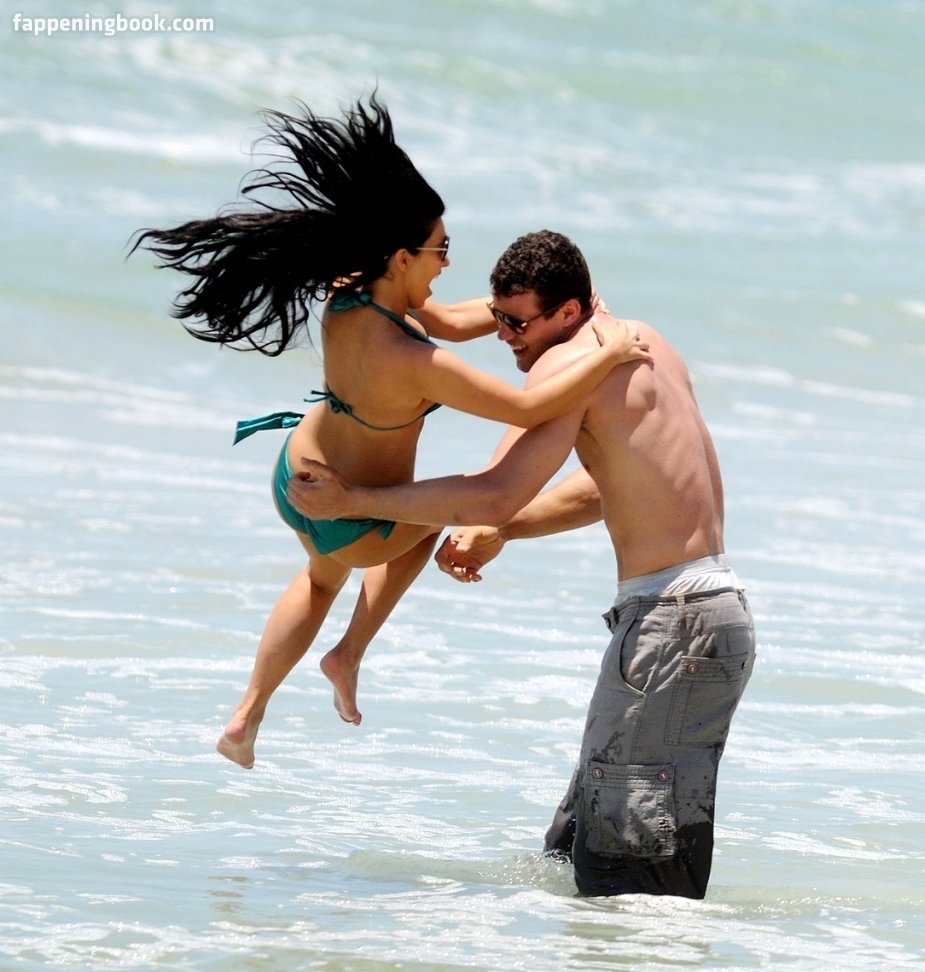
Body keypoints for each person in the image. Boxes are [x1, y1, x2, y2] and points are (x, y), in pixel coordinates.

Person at [132, 99, 650, 769]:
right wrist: (610, 354)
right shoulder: (413, 360)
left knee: (319, 582)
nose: (446, 264)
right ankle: (348, 653)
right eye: (440, 251)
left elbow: (451, 318)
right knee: (438, 511)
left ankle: (246, 715)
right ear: (402, 257)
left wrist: (540, 307)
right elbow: (528, 409)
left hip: (295, 477)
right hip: (350, 514)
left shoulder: (349, 293)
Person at [285, 229, 757, 899]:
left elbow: (494, 493)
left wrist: (354, 500)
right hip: (714, 620)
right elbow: (611, 486)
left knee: (625, 882)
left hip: (670, 626)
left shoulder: (568, 364)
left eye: (518, 322)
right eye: (498, 317)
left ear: (568, 312)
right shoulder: (647, 342)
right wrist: (504, 531)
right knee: (574, 852)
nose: (505, 336)